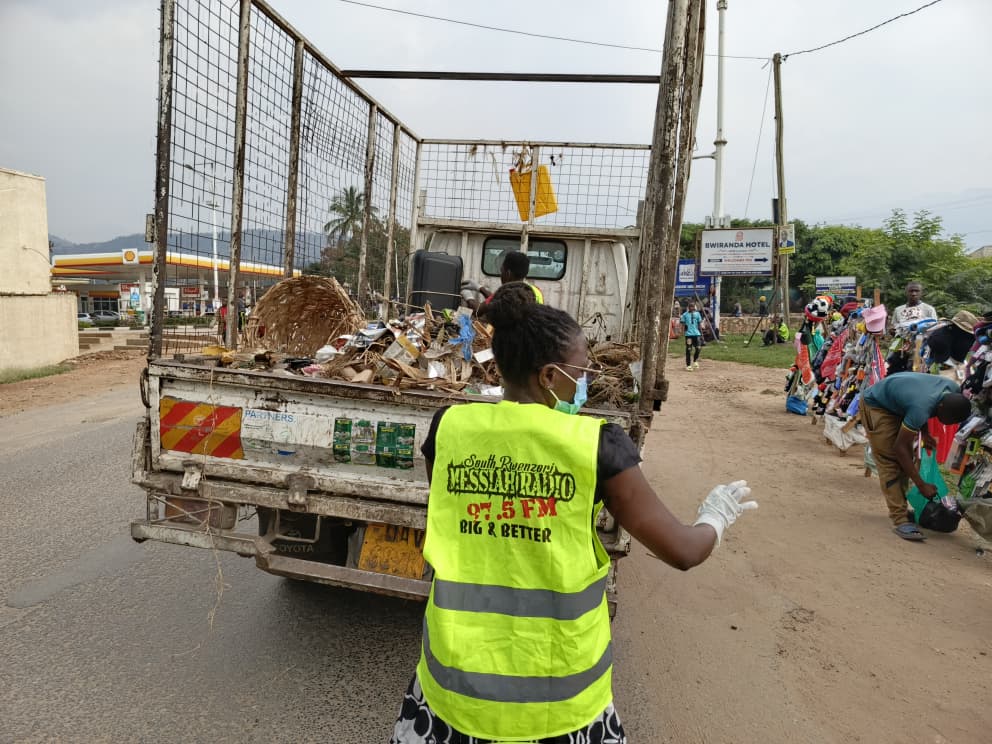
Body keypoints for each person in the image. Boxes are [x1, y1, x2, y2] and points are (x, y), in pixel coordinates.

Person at [390, 283, 756, 744]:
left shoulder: (448, 428)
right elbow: (683, 551)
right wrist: (715, 518)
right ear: (548, 376)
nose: (585, 382)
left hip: (452, 692)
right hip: (558, 705)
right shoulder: (596, 446)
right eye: (580, 372)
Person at [861, 372, 971, 541]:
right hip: (877, 405)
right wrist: (921, 485)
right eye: (946, 419)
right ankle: (900, 520)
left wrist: (924, 432)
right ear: (941, 407)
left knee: (906, 462)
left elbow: (928, 407)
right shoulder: (921, 407)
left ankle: (902, 509)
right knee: (890, 460)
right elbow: (900, 448)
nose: (945, 424)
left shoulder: (952, 391)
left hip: (901, 403)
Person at [681, 300, 703, 370]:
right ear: (688, 307)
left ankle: (695, 360)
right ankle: (688, 365)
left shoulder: (697, 314)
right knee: (689, 349)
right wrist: (683, 332)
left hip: (697, 334)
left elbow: (699, 324)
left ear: (694, 307)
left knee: (698, 348)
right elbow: (683, 325)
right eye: (690, 306)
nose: (691, 308)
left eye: (692, 306)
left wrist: (701, 333)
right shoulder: (685, 315)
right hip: (689, 335)